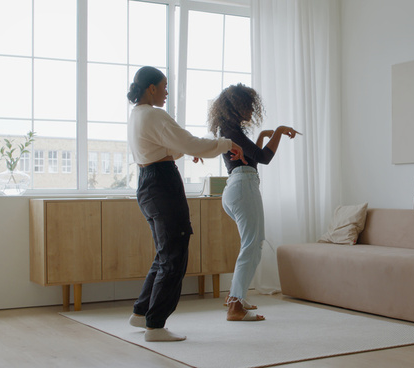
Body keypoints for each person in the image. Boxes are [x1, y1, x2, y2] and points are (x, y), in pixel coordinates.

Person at [126, 66, 246, 341]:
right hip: (162, 184)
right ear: (151, 88)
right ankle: (155, 326)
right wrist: (227, 144)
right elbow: (189, 142)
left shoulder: (137, 116)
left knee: (164, 253)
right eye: (164, 86)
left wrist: (185, 150)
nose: (167, 91)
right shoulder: (154, 114)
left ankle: (142, 313)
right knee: (175, 255)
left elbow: (167, 145)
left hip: (147, 184)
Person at [207, 83, 300, 321]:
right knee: (251, 246)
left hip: (236, 188)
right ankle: (235, 306)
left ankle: (235, 297)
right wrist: (278, 131)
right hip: (244, 188)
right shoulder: (233, 133)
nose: (250, 110)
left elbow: (251, 160)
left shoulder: (229, 130)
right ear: (236, 107)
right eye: (247, 106)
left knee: (252, 245)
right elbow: (264, 158)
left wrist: (261, 136)